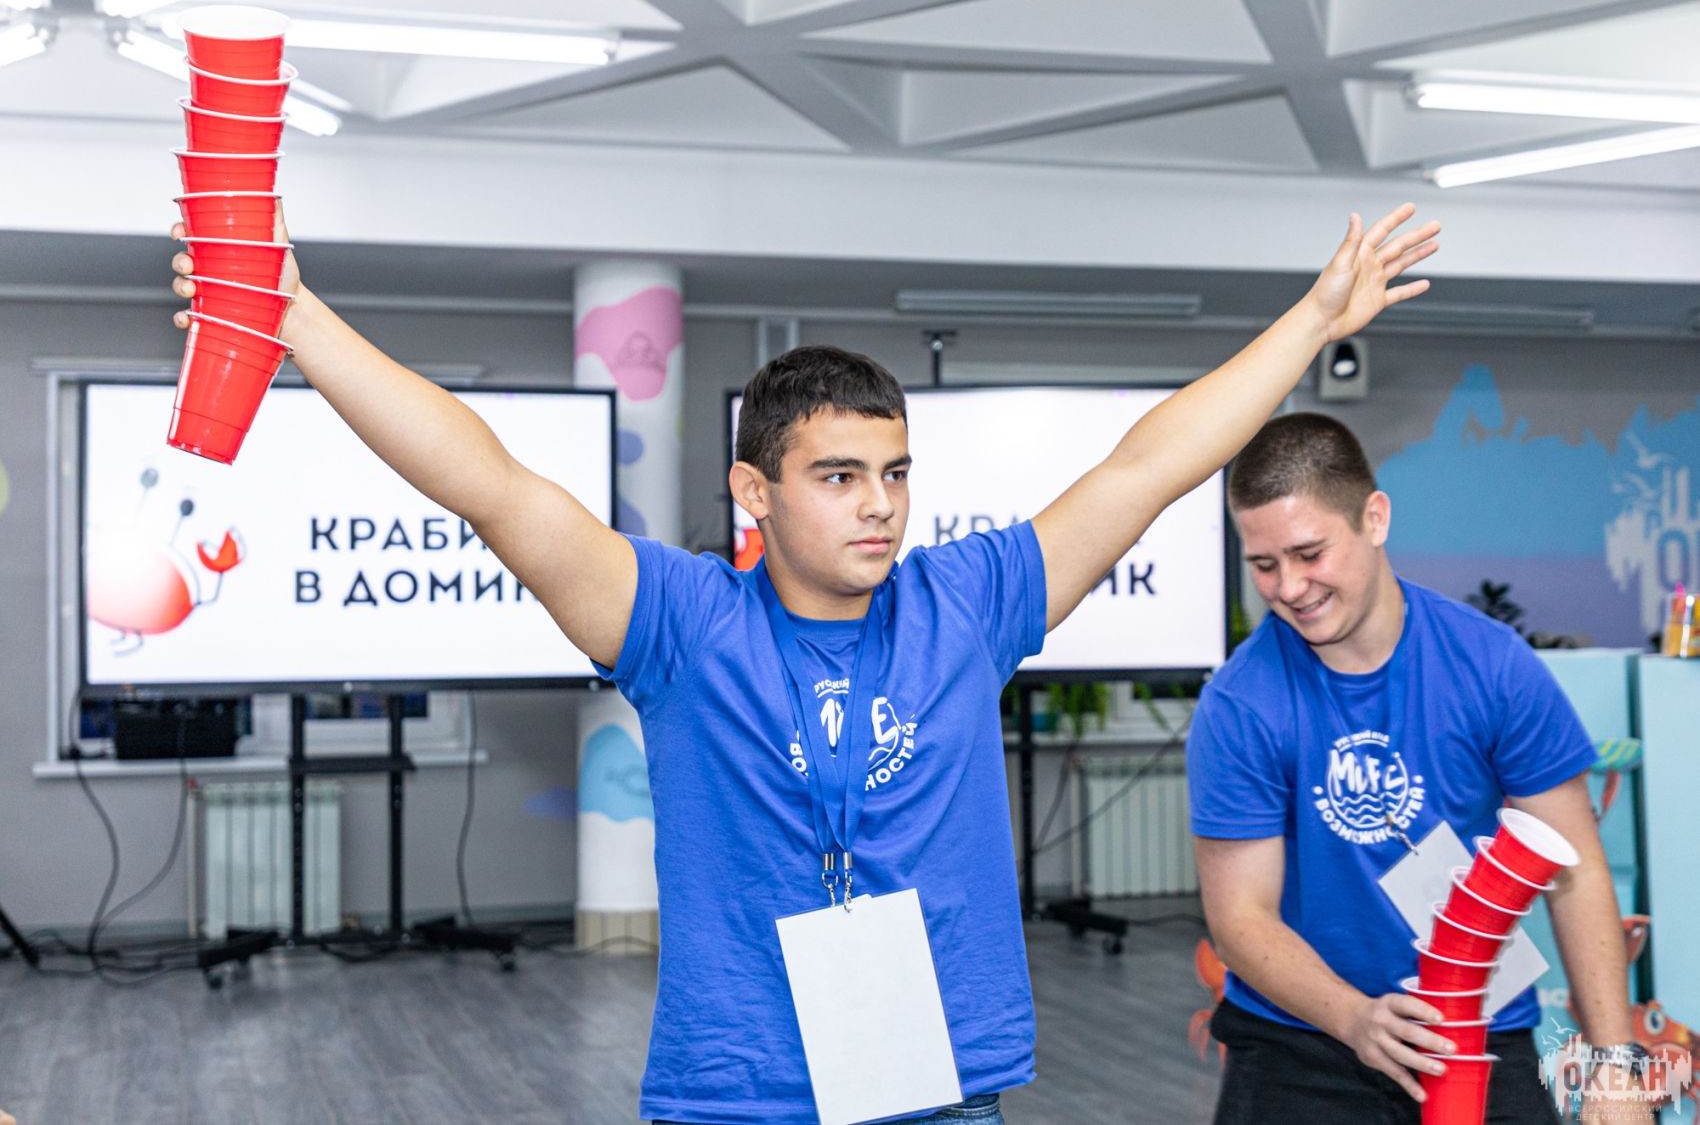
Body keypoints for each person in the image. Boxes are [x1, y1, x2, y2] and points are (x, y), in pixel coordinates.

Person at [171, 205, 1438, 1124]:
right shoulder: (679, 623)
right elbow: (491, 486)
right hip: (738, 1092)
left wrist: (1310, 320)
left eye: (893, 473)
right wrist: (299, 321)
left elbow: (1146, 464)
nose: (877, 504)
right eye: (837, 476)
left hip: (939, 1085)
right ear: (753, 490)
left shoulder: (966, 603)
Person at [1187, 412, 1652, 1125]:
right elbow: (1240, 919)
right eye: (1264, 564)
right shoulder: (1239, 703)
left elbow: (1576, 869)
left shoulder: (1491, 665)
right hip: (1301, 1043)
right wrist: (1354, 1017)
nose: (1290, 586)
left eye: (1309, 553)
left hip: (1480, 1032)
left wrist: (1614, 1069)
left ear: (1374, 518)